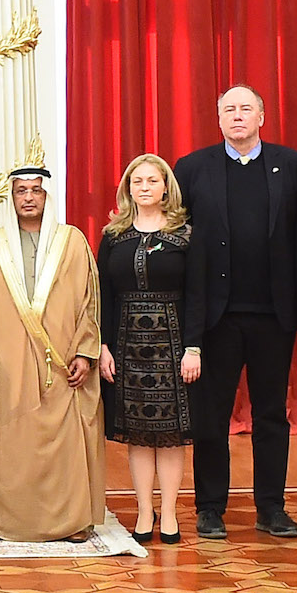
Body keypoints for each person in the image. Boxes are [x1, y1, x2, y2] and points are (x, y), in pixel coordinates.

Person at [175, 85, 297, 540]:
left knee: (272, 414)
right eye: (228, 110)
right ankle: (210, 507)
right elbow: (181, 238)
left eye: (245, 109)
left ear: (262, 116)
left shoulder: (292, 165)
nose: (237, 116)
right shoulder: (193, 168)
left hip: (274, 313)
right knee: (211, 415)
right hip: (216, 315)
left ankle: (271, 506)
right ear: (218, 120)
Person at [0, 167, 103, 542]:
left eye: (36, 191)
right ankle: (2, 520)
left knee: (64, 441)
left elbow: (89, 304)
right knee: (9, 442)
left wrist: (86, 353)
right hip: (7, 363)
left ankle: (72, 520)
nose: (28, 197)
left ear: (47, 196)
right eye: (21, 191)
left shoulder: (72, 242)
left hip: (61, 361)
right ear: (11, 197)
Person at [97, 153, 200, 545]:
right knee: (138, 434)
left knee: (171, 434)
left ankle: (170, 513)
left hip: (173, 345)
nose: (144, 187)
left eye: (152, 181)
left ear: (165, 187)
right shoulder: (113, 236)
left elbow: (198, 294)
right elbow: (102, 294)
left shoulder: (186, 235)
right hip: (125, 346)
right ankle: (143, 511)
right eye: (136, 181)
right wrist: (103, 345)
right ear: (128, 189)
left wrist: (194, 347)